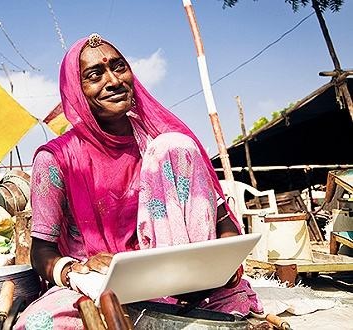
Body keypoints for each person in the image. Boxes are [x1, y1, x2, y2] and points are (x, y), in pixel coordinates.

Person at [14, 33, 262, 330]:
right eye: (95, 75)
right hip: (101, 285)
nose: (114, 80)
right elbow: (42, 250)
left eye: (119, 67)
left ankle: (180, 300)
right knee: (37, 324)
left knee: (175, 144)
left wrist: (222, 260)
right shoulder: (56, 159)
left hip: (183, 286)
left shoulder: (164, 145)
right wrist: (73, 273)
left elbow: (223, 221)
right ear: (77, 91)